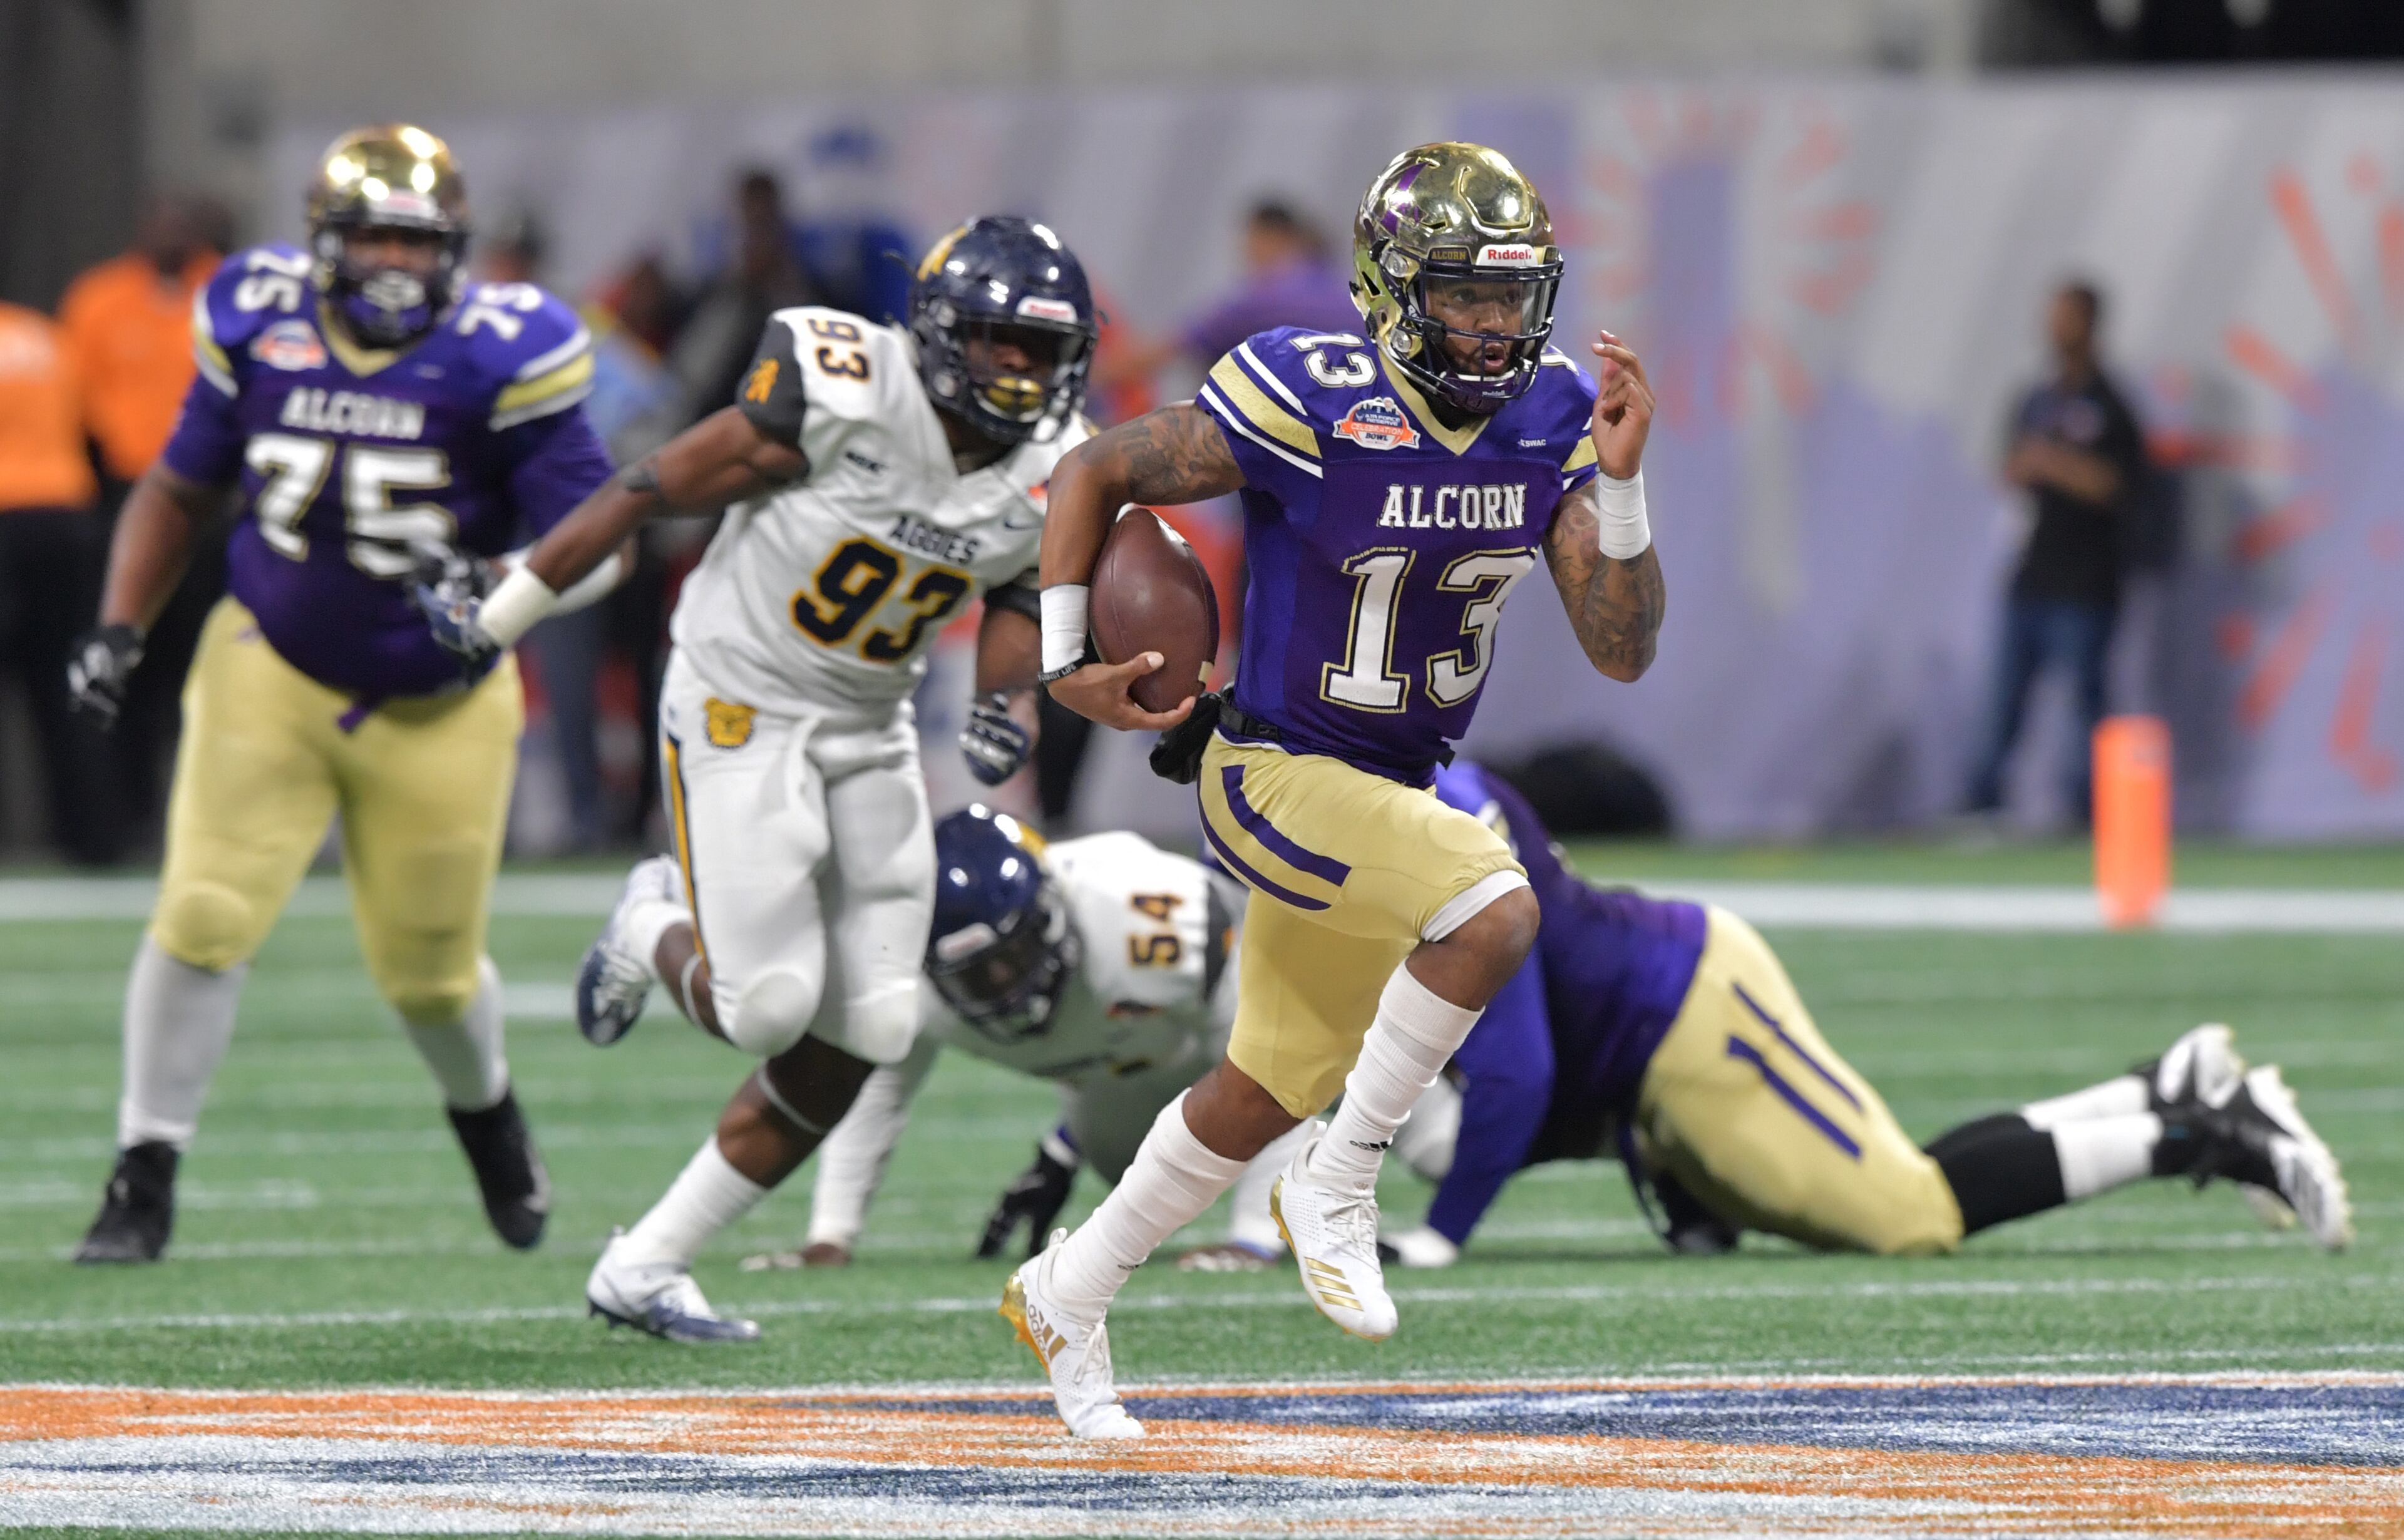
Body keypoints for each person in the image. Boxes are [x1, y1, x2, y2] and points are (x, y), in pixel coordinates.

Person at [1011, 141, 1666, 1439]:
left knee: (1262, 1082)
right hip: (1272, 768)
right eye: (1461, 294)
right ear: (1388, 290)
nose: (1490, 326)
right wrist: (1063, 661)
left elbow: (1624, 647)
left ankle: (1066, 1292)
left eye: (1509, 295)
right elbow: (1094, 471)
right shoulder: (1307, 394)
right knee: (1493, 904)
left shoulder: (1547, 418)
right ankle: (1341, 1180)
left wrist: (1627, 487)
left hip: (1392, 781)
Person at [428, 217, 1101, 1342]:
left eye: (1041, 352)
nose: (1020, 373)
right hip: (740, 696)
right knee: (769, 1007)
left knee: (875, 1028)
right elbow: (648, 488)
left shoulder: (1058, 466)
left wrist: (1008, 700)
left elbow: (1026, 591)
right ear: (938, 335)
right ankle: (651, 921)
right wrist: (508, 607)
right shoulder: (844, 389)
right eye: (998, 345)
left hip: (869, 720)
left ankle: (645, 1267)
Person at [63, 125, 622, 1263]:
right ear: (321, 243)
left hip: (441, 697)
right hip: (270, 660)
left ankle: (489, 1117)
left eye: (416, 244)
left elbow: (599, 541)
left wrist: (508, 585)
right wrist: (121, 626)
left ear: (456, 252)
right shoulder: (257, 317)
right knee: (205, 915)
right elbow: (177, 487)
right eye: (371, 237)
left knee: (427, 973)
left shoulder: (506, 350)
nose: (393, 265)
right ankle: (143, 1174)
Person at [1376, 759, 2353, 1266]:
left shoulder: (1442, 823)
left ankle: (2203, 1136)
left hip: (1682, 1022)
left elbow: (1517, 1070)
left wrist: (1444, 1234)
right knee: (1901, 1183)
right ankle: (2164, 1086)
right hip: (1641, 1048)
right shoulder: (1428, 795)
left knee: (1910, 1215)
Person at [732, 805, 1307, 1275]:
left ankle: (1310, 1222)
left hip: (1265, 1021)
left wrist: (1253, 1239)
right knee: (1131, 1172)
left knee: (1369, 1074)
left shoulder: (1151, 919)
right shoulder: (918, 986)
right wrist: (831, 1235)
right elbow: (878, 1092)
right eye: (973, 977)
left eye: (1011, 958)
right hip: (1118, 1081)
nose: (1002, 988)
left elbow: (1276, 1052)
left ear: (1050, 914)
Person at [57, 193, 231, 847]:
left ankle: (201, 820)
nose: (173, 231)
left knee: (208, 661)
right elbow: (79, 401)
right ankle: (123, 819)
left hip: (213, 499)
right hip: (130, 494)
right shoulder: (100, 298)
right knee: (126, 652)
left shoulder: (224, 290)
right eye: (162, 219)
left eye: (184, 220)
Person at [1965, 281, 2150, 824]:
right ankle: (1984, 800)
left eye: (2067, 317)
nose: (2056, 328)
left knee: (2086, 704)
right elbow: (2010, 468)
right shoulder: (2037, 400)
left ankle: (2088, 809)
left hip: (2086, 580)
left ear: (2091, 324)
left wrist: (2058, 466)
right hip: (2032, 573)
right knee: (2005, 700)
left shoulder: (2111, 406)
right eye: (2053, 316)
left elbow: (2121, 485)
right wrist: (2027, 467)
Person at [0, 300, 115, 863]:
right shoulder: (45, 337)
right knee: (61, 681)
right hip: (64, 516)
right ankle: (91, 837)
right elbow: (93, 425)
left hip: (6, 514)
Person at [1087, 199, 1360, 398]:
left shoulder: (1262, 301)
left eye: (1250, 242)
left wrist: (1084, 377)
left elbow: (1160, 354)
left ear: (1271, 238)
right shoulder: (1348, 294)